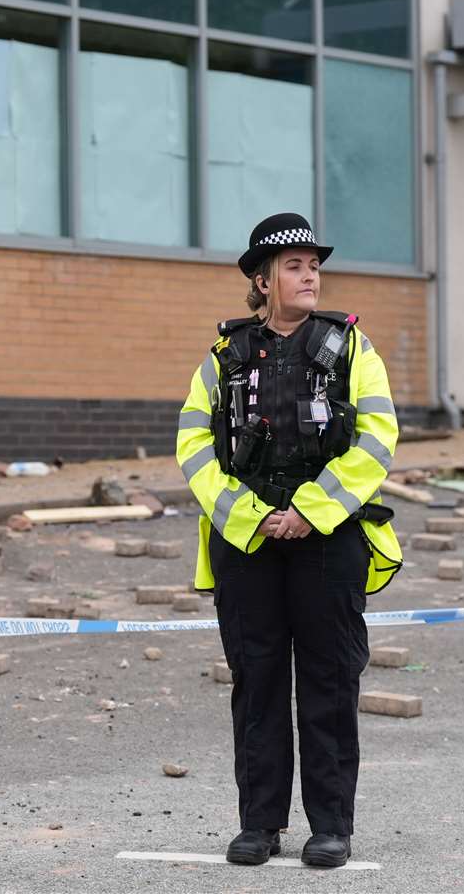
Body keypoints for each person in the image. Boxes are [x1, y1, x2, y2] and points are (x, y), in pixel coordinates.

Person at [175, 212, 402, 868]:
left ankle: (330, 825)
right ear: (262, 279)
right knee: (257, 680)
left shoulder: (350, 347)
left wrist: (310, 509)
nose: (310, 276)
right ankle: (259, 824)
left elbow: (377, 437)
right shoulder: (224, 355)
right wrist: (248, 516)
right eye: (295, 266)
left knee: (329, 682)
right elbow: (192, 445)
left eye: (313, 265)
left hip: (327, 539)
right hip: (245, 541)